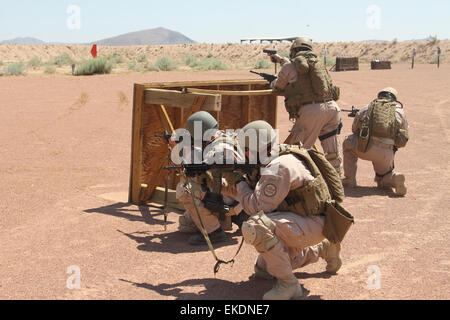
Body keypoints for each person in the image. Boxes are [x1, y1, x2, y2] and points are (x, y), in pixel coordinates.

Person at [220, 121, 353, 300]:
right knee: (264, 269)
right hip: (302, 219)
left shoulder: (279, 167)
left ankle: (288, 284)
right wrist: (224, 187)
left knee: (257, 226)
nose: (243, 155)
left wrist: (238, 183)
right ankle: (323, 248)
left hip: (312, 223)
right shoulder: (271, 156)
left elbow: (257, 207)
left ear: (259, 149)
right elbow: (254, 196)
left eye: (245, 151)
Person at [268, 37, 343, 175]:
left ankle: (298, 182)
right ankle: (336, 179)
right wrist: (281, 61)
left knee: (297, 151)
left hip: (312, 111)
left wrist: (272, 81)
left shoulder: (289, 67)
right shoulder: (318, 64)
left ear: (295, 50)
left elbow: (278, 86)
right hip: (332, 109)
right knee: (331, 150)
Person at [175, 111, 248, 245]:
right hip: (242, 196)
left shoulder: (218, 149)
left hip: (232, 199)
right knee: (187, 223)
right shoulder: (224, 137)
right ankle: (239, 216)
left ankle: (214, 232)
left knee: (185, 190)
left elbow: (209, 174)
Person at [341, 88, 409, 196]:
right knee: (382, 178)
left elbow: (354, 129)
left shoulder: (367, 107)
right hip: (386, 153)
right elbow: (404, 136)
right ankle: (394, 179)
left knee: (347, 143)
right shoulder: (400, 112)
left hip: (363, 148)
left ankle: (350, 179)